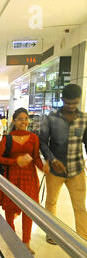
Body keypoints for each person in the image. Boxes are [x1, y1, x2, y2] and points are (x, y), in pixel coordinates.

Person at [39, 84, 87, 243]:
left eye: (74, 103)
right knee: (51, 202)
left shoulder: (84, 119)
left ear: (79, 100)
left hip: (77, 169)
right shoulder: (51, 118)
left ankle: (83, 240)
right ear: (62, 100)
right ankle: (52, 233)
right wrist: (51, 159)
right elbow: (43, 142)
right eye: (68, 103)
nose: (71, 106)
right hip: (55, 170)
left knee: (80, 207)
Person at [0, 108, 43, 254]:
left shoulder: (33, 138)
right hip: (12, 176)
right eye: (20, 118)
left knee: (29, 210)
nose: (23, 121)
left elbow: (36, 157)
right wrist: (15, 161)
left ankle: (26, 242)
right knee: (10, 208)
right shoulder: (7, 138)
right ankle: (12, 237)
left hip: (29, 178)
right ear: (14, 120)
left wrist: (43, 168)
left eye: (26, 118)